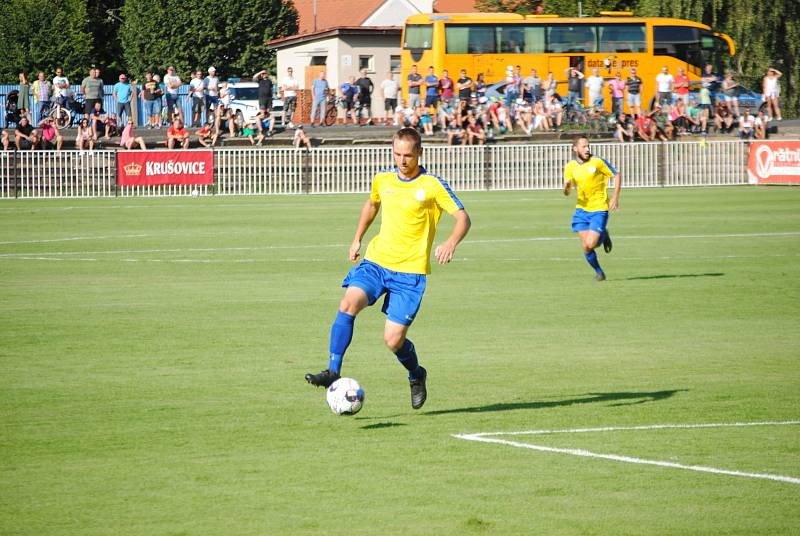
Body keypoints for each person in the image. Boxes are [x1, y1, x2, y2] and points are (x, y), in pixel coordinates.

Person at [304, 127, 471, 411]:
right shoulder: (383, 179)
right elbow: (372, 205)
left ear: (419, 153)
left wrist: (451, 242)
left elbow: (463, 218)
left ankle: (416, 374)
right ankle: (333, 370)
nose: (402, 160)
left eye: (408, 155)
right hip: (376, 262)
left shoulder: (432, 185)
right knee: (348, 304)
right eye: (397, 154)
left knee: (393, 341)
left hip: (409, 274)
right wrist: (357, 237)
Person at [563, 135, 621, 281]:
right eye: (583, 146)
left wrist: (614, 197)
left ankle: (602, 235)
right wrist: (567, 187)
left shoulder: (597, 162)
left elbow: (616, 175)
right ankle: (599, 272)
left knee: (591, 243)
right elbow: (566, 193)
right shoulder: (570, 167)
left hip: (599, 208)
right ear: (575, 148)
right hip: (581, 210)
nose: (587, 149)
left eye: (588, 146)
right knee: (587, 247)